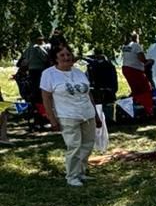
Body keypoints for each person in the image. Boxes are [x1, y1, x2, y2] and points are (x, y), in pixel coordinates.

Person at [39, 43, 98, 187]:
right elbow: (46, 98)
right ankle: (72, 176)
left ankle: (81, 172)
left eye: (68, 54)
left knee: (88, 145)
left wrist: (95, 114)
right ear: (56, 58)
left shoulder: (79, 72)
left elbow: (88, 93)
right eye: (62, 55)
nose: (66, 57)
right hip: (68, 115)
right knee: (74, 146)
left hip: (87, 113)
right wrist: (52, 119)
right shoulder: (49, 74)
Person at [120, 30, 155, 119]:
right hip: (134, 70)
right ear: (136, 37)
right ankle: (148, 109)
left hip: (126, 68)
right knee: (146, 88)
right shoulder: (136, 45)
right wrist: (149, 61)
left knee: (135, 90)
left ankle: (135, 109)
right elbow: (141, 59)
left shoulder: (125, 46)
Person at [85, 48, 118, 123]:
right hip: (105, 87)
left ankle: (106, 120)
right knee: (106, 104)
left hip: (101, 87)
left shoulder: (93, 65)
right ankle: (108, 120)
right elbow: (114, 77)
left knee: (103, 104)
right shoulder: (109, 65)